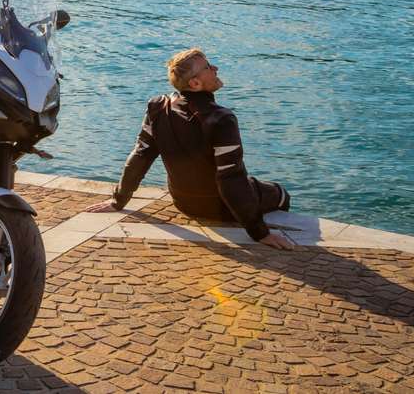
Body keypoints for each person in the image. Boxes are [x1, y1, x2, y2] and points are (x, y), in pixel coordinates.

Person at [87, 48, 296, 250]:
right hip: (219, 209)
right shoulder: (221, 119)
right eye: (208, 67)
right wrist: (260, 233)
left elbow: (141, 156)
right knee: (280, 193)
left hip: (183, 202)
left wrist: (118, 201)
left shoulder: (158, 106)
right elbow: (231, 179)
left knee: (249, 184)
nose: (215, 68)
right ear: (195, 83)